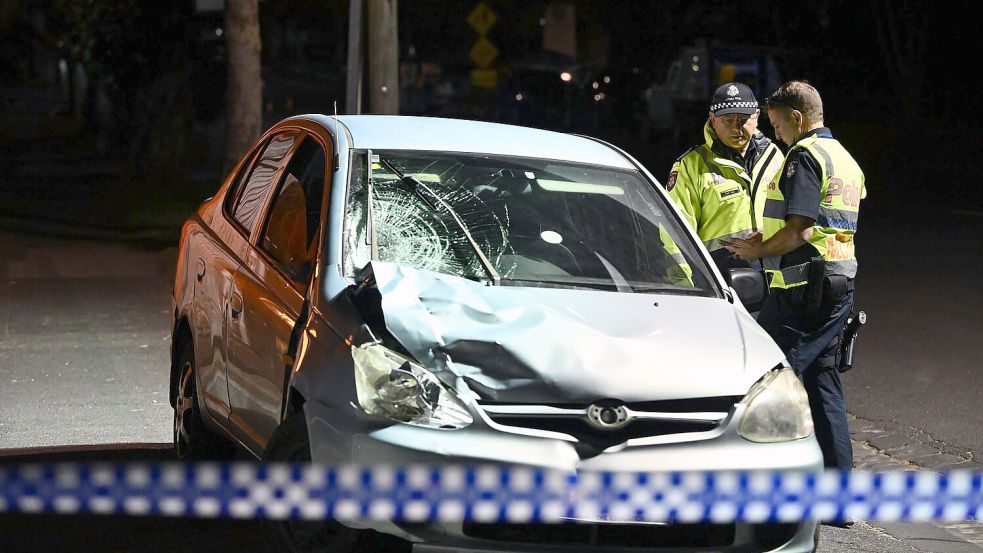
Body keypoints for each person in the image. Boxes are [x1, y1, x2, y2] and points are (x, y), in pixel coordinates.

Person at [724, 81, 866, 475]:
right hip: (839, 286)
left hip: (803, 291)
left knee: (763, 379)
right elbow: (830, 226)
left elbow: (800, 230)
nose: (776, 134)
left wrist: (757, 250)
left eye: (778, 124)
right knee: (825, 387)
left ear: (797, 118)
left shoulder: (803, 156)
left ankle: (754, 479)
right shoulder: (845, 159)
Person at [664, 82, 784, 273]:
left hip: (775, 280)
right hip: (721, 283)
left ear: (757, 117)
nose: (737, 127)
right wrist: (686, 285)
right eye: (728, 120)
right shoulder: (692, 165)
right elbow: (674, 234)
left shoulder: (774, 157)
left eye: (744, 119)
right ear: (712, 119)